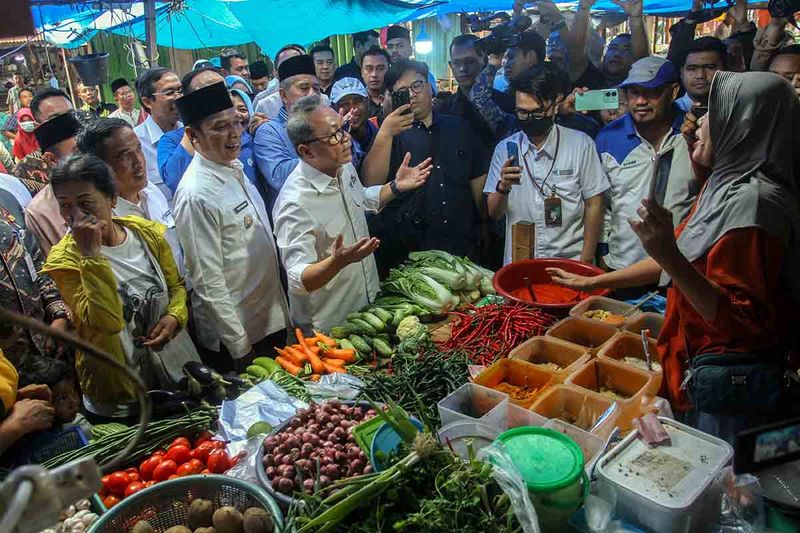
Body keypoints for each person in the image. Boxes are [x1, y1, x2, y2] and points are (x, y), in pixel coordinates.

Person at [549, 72, 800, 443]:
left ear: (743, 126)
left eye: (715, 113)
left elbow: (737, 320)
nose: (697, 122)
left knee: (723, 479)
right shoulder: (724, 184)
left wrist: (669, 254)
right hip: (694, 366)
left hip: (729, 386)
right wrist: (594, 281)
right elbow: (679, 256)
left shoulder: (756, 205)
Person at [44, 153, 197, 419]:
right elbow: (107, 322)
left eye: (85, 203)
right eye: (65, 206)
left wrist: (175, 315)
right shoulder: (65, 261)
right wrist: (91, 256)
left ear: (112, 199)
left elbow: (176, 286)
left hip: (174, 375)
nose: (75, 215)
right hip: (120, 396)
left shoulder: (146, 235)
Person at [273, 95, 431, 331]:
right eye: (335, 135)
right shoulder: (294, 203)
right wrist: (337, 262)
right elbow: (298, 279)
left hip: (367, 308)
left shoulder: (343, 167)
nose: (346, 139)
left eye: (343, 128)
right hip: (329, 327)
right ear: (306, 151)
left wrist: (395, 186)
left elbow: (363, 199)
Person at [173, 81, 289, 373]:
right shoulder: (195, 193)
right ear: (192, 135)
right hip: (239, 336)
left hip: (268, 318)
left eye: (236, 122)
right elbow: (207, 281)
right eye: (219, 127)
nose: (234, 133)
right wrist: (240, 348)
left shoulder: (233, 168)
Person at [362, 60, 490, 275]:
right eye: (401, 92)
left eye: (417, 85)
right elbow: (370, 184)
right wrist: (385, 133)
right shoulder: (389, 135)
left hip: (463, 243)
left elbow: (477, 179)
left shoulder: (459, 127)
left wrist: (485, 223)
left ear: (430, 87)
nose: (412, 94)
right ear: (391, 97)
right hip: (411, 251)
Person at [485, 63, 608, 265]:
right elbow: (495, 213)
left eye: (538, 112)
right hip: (520, 263)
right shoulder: (505, 149)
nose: (530, 119)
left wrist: (585, 260)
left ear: (554, 105)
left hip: (569, 261)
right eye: (522, 113)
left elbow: (594, 203)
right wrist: (503, 187)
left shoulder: (580, 144)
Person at [595, 57, 699, 286]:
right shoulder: (608, 139)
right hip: (623, 268)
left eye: (652, 92)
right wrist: (603, 256)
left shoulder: (693, 135)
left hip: (682, 269)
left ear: (673, 92)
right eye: (633, 92)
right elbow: (603, 206)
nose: (640, 101)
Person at [76, 118, 184, 277]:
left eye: (139, 149)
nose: (138, 161)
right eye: (124, 156)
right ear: (98, 167)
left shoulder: (152, 192)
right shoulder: (100, 222)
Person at [0, 184, 68, 388]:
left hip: (48, 345)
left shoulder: (6, 200)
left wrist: (58, 314)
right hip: (7, 375)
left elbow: (35, 260)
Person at [254, 54, 321, 211]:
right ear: (283, 95)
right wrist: (326, 149)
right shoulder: (269, 131)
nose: (312, 94)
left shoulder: (328, 123)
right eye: (304, 88)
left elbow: (350, 159)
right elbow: (280, 176)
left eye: (316, 89)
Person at [439, 34, 515, 147]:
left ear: (484, 61)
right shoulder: (444, 109)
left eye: (470, 61)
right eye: (457, 63)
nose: (462, 68)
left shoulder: (505, 103)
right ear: (451, 66)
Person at [24, 112, 83, 256]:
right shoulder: (39, 212)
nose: (88, 158)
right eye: (78, 153)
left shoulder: (105, 185)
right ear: (52, 160)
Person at [567, 0, 649, 90]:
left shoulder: (634, 86)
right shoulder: (589, 77)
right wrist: (583, 9)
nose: (617, 54)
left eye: (627, 50)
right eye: (613, 48)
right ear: (604, 54)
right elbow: (575, 50)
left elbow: (642, 60)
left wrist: (636, 19)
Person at [134, 67, 183, 203]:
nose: (179, 97)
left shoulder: (193, 133)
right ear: (147, 102)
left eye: (180, 90)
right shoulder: (135, 144)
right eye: (170, 92)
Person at [330, 77, 378, 171]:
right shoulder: (329, 143)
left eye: (357, 102)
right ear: (333, 108)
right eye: (344, 104)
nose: (352, 109)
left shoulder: (380, 131)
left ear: (367, 103)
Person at [674, 37, 727, 113]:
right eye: (692, 68)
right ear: (682, 73)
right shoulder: (668, 114)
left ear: (725, 69)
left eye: (709, 67)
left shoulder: (738, 111)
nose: (700, 76)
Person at [253, 44, 306, 116]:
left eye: (296, 65)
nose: (291, 71)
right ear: (275, 73)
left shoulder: (321, 100)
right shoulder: (264, 105)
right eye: (285, 67)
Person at [361, 47, 390, 119]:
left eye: (380, 69)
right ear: (361, 72)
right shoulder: (358, 101)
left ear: (389, 69)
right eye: (369, 69)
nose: (374, 74)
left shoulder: (397, 97)